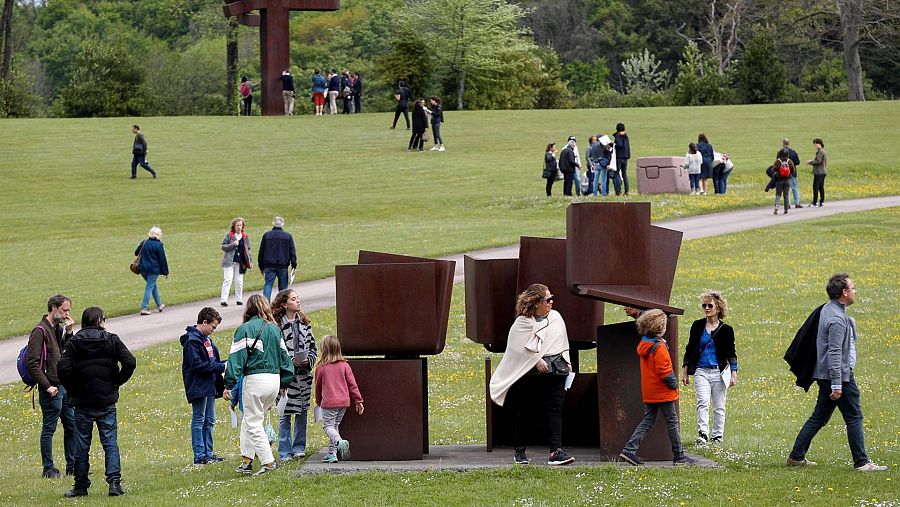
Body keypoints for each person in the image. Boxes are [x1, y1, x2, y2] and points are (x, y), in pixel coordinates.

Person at [787, 273, 887, 472]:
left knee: (819, 417)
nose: (855, 291)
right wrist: (837, 383)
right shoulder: (837, 319)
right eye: (853, 288)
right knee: (854, 416)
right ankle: (862, 462)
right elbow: (834, 352)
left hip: (827, 375)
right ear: (844, 292)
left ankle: (796, 457)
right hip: (838, 376)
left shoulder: (828, 309)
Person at [489, 284, 576, 466]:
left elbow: (562, 343)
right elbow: (517, 349)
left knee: (554, 411)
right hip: (533, 374)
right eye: (547, 299)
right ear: (536, 302)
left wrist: (566, 363)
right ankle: (519, 450)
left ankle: (556, 452)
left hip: (557, 371)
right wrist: (536, 359)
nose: (551, 302)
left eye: (552, 298)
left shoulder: (556, 317)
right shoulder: (522, 323)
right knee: (528, 411)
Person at [58, 307, 136, 497]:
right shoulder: (111, 339)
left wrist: (72, 388)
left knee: (82, 445)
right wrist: (116, 381)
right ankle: (114, 483)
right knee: (110, 443)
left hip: (82, 400)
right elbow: (130, 362)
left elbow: (62, 368)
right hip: (106, 399)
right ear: (100, 320)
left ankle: (81, 485)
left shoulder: (75, 342)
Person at [224, 295, 295, 475]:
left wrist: (228, 384)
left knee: (253, 423)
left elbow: (236, 360)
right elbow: (285, 358)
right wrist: (285, 381)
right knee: (250, 420)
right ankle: (247, 460)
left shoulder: (244, 329)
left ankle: (268, 461)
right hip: (274, 380)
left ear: (248, 309)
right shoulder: (274, 329)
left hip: (255, 380)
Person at [619, 309, 696, 466]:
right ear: (660, 327)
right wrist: (673, 383)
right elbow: (665, 370)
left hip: (650, 391)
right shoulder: (659, 346)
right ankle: (679, 457)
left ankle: (629, 450)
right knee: (672, 422)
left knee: (648, 421)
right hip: (663, 392)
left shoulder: (645, 344)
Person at [27, 294, 76, 479]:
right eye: (64, 310)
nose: (67, 314)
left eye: (68, 310)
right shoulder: (39, 331)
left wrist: (69, 332)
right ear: (54, 308)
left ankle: (72, 465)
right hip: (50, 389)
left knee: (71, 426)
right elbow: (32, 363)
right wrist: (47, 386)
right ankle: (48, 469)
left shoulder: (56, 329)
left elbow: (65, 353)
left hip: (63, 386)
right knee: (49, 429)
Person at [681, 291, 737, 445]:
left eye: (710, 306)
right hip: (701, 371)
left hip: (719, 372)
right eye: (704, 305)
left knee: (719, 406)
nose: (706, 308)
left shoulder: (726, 330)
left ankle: (717, 436)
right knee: (703, 402)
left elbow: (731, 353)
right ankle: (703, 434)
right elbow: (689, 349)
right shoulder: (697, 326)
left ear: (718, 308)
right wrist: (685, 371)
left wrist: (734, 374)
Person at [272, 289, 318, 462]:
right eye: (293, 299)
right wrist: (289, 362)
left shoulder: (305, 324)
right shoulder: (276, 327)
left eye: (298, 298)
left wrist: (308, 360)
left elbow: (313, 347)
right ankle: (285, 452)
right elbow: (275, 352)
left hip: (303, 376)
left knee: (302, 412)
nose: (298, 301)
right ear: (284, 304)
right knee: (284, 413)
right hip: (285, 377)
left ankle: (299, 447)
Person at [180, 307, 226, 465]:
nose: (213, 330)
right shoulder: (192, 341)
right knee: (199, 419)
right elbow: (197, 364)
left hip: (210, 384)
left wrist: (224, 365)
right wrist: (221, 367)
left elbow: (213, 361)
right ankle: (199, 455)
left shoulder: (207, 340)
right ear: (204, 322)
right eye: (212, 327)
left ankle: (209, 453)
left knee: (210, 420)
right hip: (199, 385)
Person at [314, 335, 364, 463]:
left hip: (329, 403)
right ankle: (332, 454)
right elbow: (352, 385)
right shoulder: (344, 365)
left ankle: (339, 442)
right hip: (343, 403)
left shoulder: (321, 367)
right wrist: (358, 401)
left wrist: (318, 401)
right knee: (335, 426)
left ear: (324, 350)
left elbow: (318, 387)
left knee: (328, 426)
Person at [258, 216, 297, 301]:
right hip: (282, 265)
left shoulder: (266, 235)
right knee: (283, 288)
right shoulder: (287, 236)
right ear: (282, 224)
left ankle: (266, 303)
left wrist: (261, 265)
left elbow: (261, 251)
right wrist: (294, 265)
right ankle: (282, 303)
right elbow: (292, 251)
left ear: (273, 223)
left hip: (269, 265)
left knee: (268, 284)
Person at [135, 226, 168, 315]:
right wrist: (165, 272)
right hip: (153, 270)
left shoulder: (144, 242)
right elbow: (162, 259)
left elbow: (136, 252)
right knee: (149, 287)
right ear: (159, 235)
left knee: (152, 286)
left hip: (142, 269)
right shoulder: (158, 245)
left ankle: (159, 305)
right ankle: (144, 308)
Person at [221, 217, 253, 306]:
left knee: (239, 281)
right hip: (229, 261)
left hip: (240, 262)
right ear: (234, 226)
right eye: (237, 225)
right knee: (228, 280)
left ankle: (239, 299)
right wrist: (233, 244)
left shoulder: (245, 236)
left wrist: (250, 261)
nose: (239, 227)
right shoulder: (229, 235)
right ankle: (224, 300)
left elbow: (248, 250)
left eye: (240, 225)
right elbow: (223, 247)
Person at [772, 148, 795, 215]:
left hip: (779, 180)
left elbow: (773, 169)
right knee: (786, 194)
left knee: (778, 194)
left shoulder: (777, 161)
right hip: (787, 180)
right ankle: (786, 210)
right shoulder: (789, 161)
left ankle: (776, 207)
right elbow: (793, 170)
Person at [782, 139, 803, 208]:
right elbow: (798, 162)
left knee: (786, 189)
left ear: (783, 144)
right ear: (789, 144)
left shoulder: (780, 152)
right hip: (792, 172)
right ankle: (797, 203)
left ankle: (788, 204)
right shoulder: (793, 152)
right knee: (794, 187)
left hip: (784, 173)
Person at [807, 138, 827, 207]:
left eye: (816, 143)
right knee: (821, 187)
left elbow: (818, 161)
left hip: (819, 172)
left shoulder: (820, 152)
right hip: (823, 172)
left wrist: (810, 162)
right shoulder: (823, 151)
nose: (815, 145)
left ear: (819, 144)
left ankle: (815, 202)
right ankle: (822, 201)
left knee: (815, 187)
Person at [613, 123, 631, 196]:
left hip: (619, 157)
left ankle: (618, 191)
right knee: (624, 173)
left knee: (616, 173)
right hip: (625, 157)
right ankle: (627, 190)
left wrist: (614, 145)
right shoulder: (626, 136)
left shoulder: (618, 135)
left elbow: (619, 145)